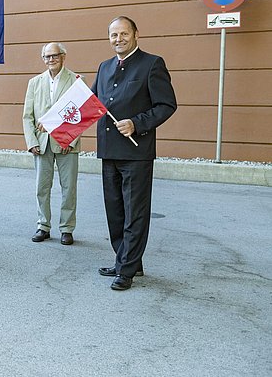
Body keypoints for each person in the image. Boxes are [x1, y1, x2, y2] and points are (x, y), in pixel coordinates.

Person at [92, 16, 177, 290]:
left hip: (136, 152)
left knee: (135, 212)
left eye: (124, 33)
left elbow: (166, 105)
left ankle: (126, 269)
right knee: (115, 211)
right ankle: (126, 260)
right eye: (114, 35)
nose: (118, 39)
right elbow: (90, 103)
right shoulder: (104, 67)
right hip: (109, 151)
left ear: (136, 34)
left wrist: (137, 123)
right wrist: (57, 121)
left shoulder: (152, 64)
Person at [23, 42, 80, 246]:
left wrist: (70, 140)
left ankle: (66, 228)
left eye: (54, 55)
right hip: (41, 143)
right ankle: (43, 225)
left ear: (63, 56)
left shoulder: (75, 80)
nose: (51, 60)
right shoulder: (35, 82)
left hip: (67, 144)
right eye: (47, 57)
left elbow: (80, 115)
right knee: (42, 187)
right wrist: (31, 141)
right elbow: (27, 116)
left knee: (69, 188)